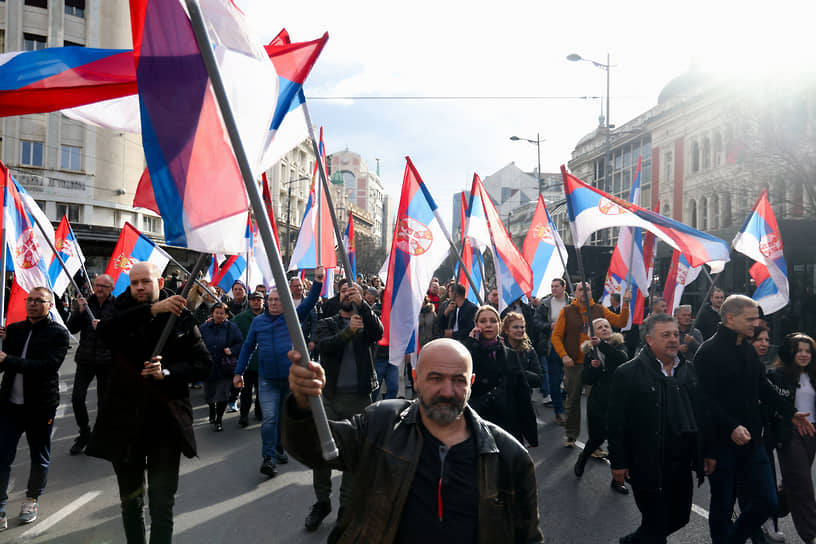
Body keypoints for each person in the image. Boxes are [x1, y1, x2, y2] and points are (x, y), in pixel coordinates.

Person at [282, 338, 545, 543]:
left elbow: (528, 537)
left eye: (458, 380)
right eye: (435, 378)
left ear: (471, 383)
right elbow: (316, 450)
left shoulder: (510, 457)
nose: (447, 391)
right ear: (416, 379)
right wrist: (302, 404)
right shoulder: (381, 424)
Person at [86, 263, 211, 544]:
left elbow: (203, 364)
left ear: (160, 280)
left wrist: (166, 372)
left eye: (145, 281)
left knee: (161, 504)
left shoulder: (181, 316)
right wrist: (153, 310)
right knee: (130, 503)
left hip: (165, 425)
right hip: (124, 423)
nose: (140, 287)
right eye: (134, 283)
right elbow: (106, 332)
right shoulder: (119, 310)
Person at [695, 294, 814, 544]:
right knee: (722, 505)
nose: (755, 323)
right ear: (730, 318)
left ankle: (733, 540)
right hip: (722, 443)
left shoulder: (748, 350)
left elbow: (763, 387)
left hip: (753, 443)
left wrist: (790, 413)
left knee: (767, 501)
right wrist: (730, 427)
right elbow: (704, 401)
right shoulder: (708, 352)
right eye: (750, 319)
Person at [609, 313, 709, 543]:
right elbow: (616, 422)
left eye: (675, 334)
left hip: (681, 462)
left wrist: (706, 452)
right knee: (656, 522)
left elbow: (701, 415)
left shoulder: (688, 370)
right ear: (649, 340)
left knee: (680, 517)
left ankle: (632, 541)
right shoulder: (628, 373)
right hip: (647, 463)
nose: (673, 339)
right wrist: (619, 462)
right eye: (665, 335)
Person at [305, 281, 383, 531]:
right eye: (343, 292)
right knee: (322, 452)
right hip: (329, 397)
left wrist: (364, 308)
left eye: (353, 292)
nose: (347, 295)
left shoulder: (366, 320)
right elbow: (326, 347)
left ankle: (346, 507)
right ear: (338, 297)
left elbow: (378, 333)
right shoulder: (327, 322)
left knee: (353, 454)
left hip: (359, 399)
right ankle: (321, 502)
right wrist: (348, 331)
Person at [234, 267, 324, 478]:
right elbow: (247, 347)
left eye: (278, 300)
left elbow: (310, 302)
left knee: (283, 419)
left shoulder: (292, 317)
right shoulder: (258, 322)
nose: (274, 303)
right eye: (271, 300)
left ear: (285, 303)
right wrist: (239, 372)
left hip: (289, 379)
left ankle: (280, 448)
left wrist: (318, 282)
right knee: (269, 419)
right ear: (266, 302)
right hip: (267, 380)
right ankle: (269, 458)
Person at [0, 287, 69, 529]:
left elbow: (48, 367)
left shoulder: (58, 334)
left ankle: (32, 498)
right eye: (30, 300)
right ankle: (0, 506)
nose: (32, 304)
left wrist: (8, 359)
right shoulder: (15, 330)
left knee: (39, 456)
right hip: (10, 406)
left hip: (40, 407)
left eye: (39, 300)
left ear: (50, 305)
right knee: (2, 456)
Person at [551, 282, 630, 447]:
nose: (584, 292)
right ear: (576, 292)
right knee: (572, 401)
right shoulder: (567, 311)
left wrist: (626, 304)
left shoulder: (599, 309)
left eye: (587, 289)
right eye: (581, 289)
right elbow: (556, 336)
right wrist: (564, 356)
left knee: (595, 406)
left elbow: (621, 322)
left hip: (595, 365)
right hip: (573, 363)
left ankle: (595, 443)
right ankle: (571, 434)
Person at [765, 333, 816, 543]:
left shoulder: (814, 375)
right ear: (790, 352)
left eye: (808, 351)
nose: (804, 354)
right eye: (799, 350)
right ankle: (811, 535)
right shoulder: (776, 375)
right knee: (803, 484)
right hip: (789, 434)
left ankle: (765, 509)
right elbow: (771, 406)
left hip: (812, 433)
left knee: (792, 484)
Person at [462, 306, 538, 447]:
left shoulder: (510, 354)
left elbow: (523, 394)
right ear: (476, 325)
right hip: (479, 422)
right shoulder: (469, 352)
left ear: (499, 325)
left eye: (493, 320)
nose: (488, 325)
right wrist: (471, 343)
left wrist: (530, 433)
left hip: (507, 423)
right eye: (483, 321)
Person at [66, 273, 117, 455]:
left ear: (111, 289)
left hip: (107, 361)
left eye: (103, 286)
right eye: (97, 285)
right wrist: (79, 312)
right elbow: (71, 329)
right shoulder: (86, 303)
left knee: (104, 402)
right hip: (86, 359)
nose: (99, 289)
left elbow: (122, 333)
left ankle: (99, 435)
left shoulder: (117, 306)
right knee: (77, 398)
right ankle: (84, 432)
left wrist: (104, 327)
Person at [574, 317, 628, 483]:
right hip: (598, 400)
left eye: (606, 326)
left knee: (617, 441)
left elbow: (622, 358)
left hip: (617, 399)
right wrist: (593, 368)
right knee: (596, 437)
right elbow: (587, 379)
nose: (604, 329)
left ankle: (617, 480)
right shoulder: (591, 352)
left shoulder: (618, 345)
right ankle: (583, 458)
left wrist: (602, 346)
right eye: (599, 327)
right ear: (592, 334)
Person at [199, 303, 243, 432]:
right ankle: (212, 409)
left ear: (226, 315)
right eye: (216, 312)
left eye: (222, 313)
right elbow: (198, 342)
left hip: (225, 367)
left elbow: (240, 342)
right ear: (212, 313)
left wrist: (232, 350)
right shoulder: (204, 327)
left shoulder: (232, 327)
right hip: (208, 367)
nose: (219, 315)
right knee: (209, 394)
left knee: (223, 395)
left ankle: (219, 419)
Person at [533, 278, 572, 420]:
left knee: (570, 380)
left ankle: (569, 408)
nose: (553, 289)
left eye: (556, 286)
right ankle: (558, 411)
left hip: (570, 346)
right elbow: (536, 321)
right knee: (554, 380)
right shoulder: (545, 304)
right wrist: (548, 326)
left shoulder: (572, 302)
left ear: (564, 287)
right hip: (552, 347)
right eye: (552, 286)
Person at [232, 292, 265, 427]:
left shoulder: (269, 317)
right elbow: (229, 327)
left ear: (263, 301)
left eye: (259, 300)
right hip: (247, 363)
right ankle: (244, 415)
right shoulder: (241, 318)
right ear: (249, 302)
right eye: (253, 300)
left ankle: (259, 412)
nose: (256, 302)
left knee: (261, 392)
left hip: (264, 362)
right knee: (245, 392)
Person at [501, 312, 542, 390]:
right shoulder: (500, 348)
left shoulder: (529, 350)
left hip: (524, 394)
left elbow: (538, 379)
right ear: (506, 330)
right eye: (515, 327)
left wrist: (519, 373)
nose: (520, 330)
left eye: (522, 327)